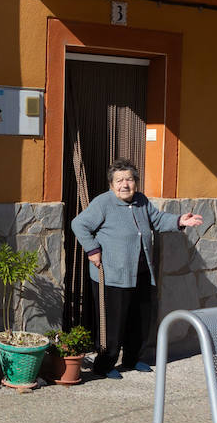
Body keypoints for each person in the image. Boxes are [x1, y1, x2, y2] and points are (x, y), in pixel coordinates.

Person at [70, 159, 203, 378]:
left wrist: (180, 220)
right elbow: (79, 224)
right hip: (112, 275)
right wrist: (92, 249)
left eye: (129, 179)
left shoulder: (141, 201)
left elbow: (157, 220)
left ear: (136, 183)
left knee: (140, 319)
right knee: (112, 324)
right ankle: (105, 365)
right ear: (111, 185)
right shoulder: (103, 203)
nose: (125, 184)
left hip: (141, 272)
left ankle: (133, 359)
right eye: (119, 180)